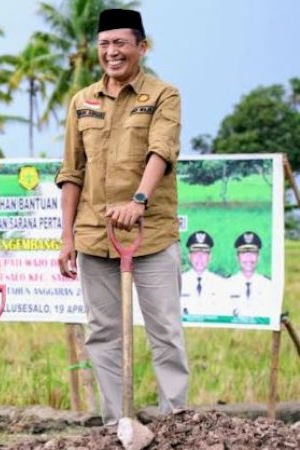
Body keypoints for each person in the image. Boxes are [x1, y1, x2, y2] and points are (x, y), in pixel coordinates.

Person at [56, 9, 190, 425]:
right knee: (103, 333)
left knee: (164, 330)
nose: (112, 53)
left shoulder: (163, 95)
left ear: (141, 48)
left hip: (149, 236)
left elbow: (161, 151)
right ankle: (117, 423)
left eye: (121, 44)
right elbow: (71, 171)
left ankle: (175, 422)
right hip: (95, 237)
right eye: (104, 45)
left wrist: (138, 201)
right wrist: (66, 237)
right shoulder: (83, 101)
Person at [180, 230, 226, 316]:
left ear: (210, 256)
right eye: (196, 253)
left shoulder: (221, 284)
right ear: (189, 256)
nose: (199, 257)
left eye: (204, 253)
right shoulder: (179, 282)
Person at [228, 231, 272, 317]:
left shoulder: (268, 285)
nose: (248, 258)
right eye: (244, 253)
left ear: (258, 257)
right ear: (237, 257)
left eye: (253, 253)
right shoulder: (226, 284)